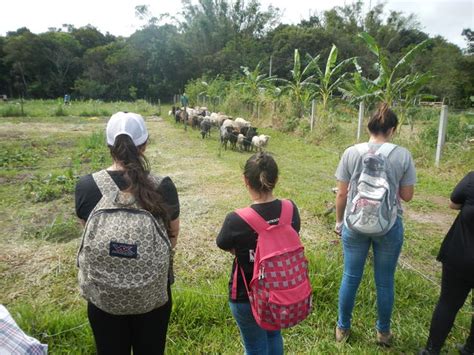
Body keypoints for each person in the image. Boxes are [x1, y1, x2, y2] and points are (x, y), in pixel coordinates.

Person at [75, 112, 180, 355]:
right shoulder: (163, 186)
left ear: (109, 145)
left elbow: (87, 236)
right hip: (153, 297)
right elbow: (172, 236)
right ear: (144, 145)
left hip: (103, 300)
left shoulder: (86, 186)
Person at [334, 103, 416, 346]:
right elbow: (407, 195)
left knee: (350, 276)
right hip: (388, 226)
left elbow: (341, 194)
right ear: (392, 129)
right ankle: (383, 333)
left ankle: (343, 329)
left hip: (354, 224)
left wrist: (339, 223)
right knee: (384, 280)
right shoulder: (402, 155)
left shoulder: (351, 152)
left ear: (369, 126)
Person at [216, 152, 301, 355]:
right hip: (279, 291)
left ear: (246, 180)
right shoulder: (290, 210)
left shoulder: (235, 220)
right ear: (276, 179)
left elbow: (223, 243)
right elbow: (292, 235)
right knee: (273, 336)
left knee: (254, 346)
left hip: (246, 295)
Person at [420, 171, 474, 355]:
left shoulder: (472, 179)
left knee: (448, 303)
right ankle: (470, 348)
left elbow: (453, 203)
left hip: (461, 255)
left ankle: (431, 350)